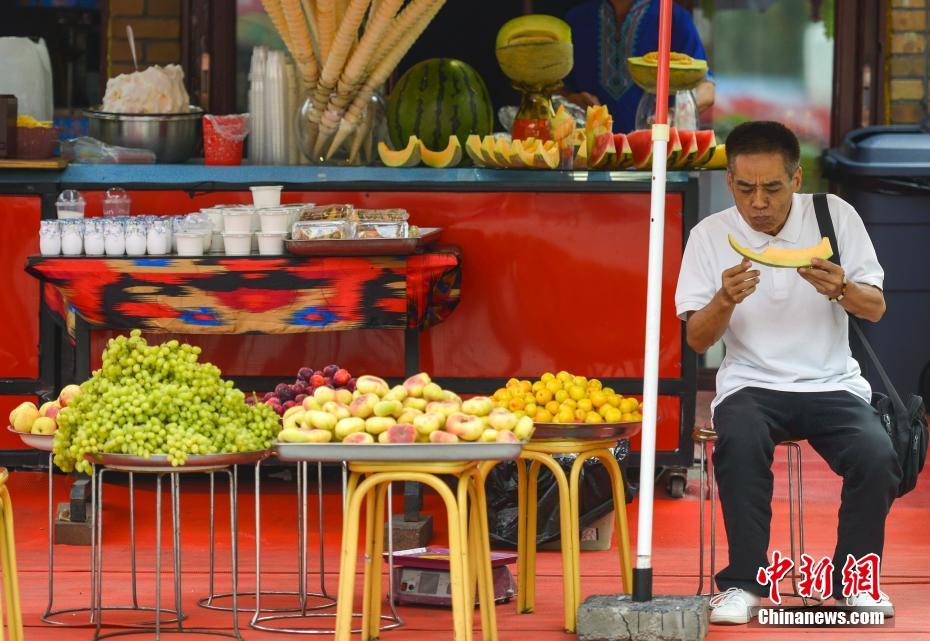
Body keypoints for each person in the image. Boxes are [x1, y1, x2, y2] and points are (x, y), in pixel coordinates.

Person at [674, 121, 900, 625]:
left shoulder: (834, 216)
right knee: (740, 444)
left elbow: (876, 307)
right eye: (746, 188)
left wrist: (841, 288)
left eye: (772, 188)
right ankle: (744, 585)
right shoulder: (709, 236)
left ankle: (855, 580)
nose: (759, 202)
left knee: (876, 454)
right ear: (729, 182)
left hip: (831, 381)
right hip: (751, 384)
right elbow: (696, 339)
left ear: (796, 180)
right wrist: (724, 299)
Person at [561, 0, 715, 133]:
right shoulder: (575, 20)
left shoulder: (674, 17)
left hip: (658, 154)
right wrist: (571, 101)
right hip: (588, 156)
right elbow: (556, 90)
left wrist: (671, 115)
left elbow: (707, 90)